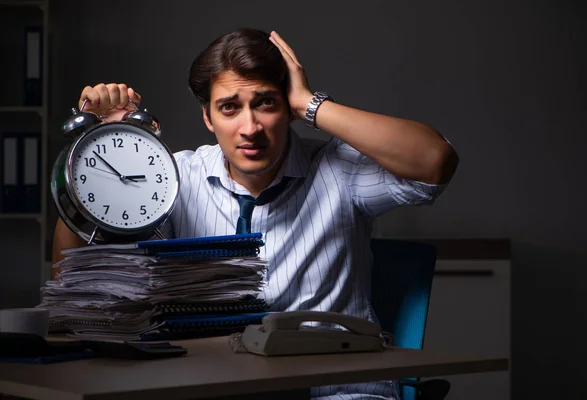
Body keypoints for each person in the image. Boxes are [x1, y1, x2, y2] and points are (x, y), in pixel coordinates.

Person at [52, 28, 459, 399]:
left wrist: (310, 103)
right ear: (208, 117)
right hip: (213, 388)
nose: (250, 127)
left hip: (336, 391)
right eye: (229, 108)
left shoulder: (339, 172)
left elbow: (435, 160)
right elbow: (74, 278)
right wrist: (95, 148)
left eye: (266, 103)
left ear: (288, 110)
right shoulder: (173, 181)